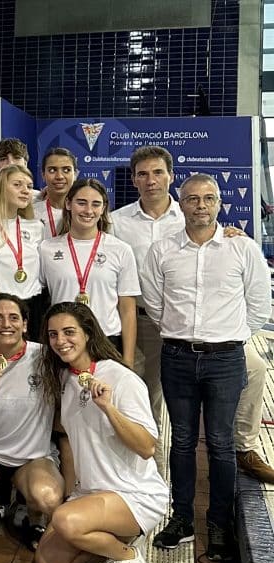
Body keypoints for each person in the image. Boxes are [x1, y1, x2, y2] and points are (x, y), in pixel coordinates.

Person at [112, 146, 274, 484]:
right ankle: (153, 479)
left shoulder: (193, 213)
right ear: (133, 180)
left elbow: (252, 293)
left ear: (171, 178)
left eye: (158, 173)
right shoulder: (118, 221)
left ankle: (243, 447)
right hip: (144, 320)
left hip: (208, 332)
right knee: (148, 398)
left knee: (255, 368)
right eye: (142, 174)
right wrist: (164, 320)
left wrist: (234, 332)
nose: (151, 180)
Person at [140, 173, 271, 561]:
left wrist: (229, 336)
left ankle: (219, 526)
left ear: (219, 204)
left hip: (226, 359)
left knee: (220, 444)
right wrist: (182, 333)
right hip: (178, 357)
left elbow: (259, 304)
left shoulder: (242, 249)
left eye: (209, 198)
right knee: (180, 442)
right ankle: (181, 519)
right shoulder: (162, 250)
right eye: (193, 199)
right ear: (180, 204)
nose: (201, 205)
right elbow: (154, 300)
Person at [34, 302, 168, 563]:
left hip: (133, 494)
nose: (61, 341)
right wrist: (72, 496)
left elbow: (146, 447)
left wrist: (108, 408)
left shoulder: (122, 379)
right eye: (53, 335)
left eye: (69, 332)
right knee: (47, 562)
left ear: (87, 334)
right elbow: (70, 443)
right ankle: (116, 542)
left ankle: (129, 558)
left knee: (65, 520)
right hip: (92, 493)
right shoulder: (66, 379)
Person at [0, 294, 62, 550]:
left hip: (31, 459)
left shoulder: (45, 357)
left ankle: (27, 507)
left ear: (25, 325)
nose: (6, 324)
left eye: (14, 318)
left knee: (47, 498)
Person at [37, 179, 139, 366]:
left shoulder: (120, 249)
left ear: (104, 208)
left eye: (96, 204)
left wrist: (128, 359)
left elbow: (127, 309)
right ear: (68, 204)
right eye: (81, 203)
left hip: (107, 339)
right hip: (63, 342)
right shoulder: (47, 249)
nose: (88, 211)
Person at [0, 165, 46, 334]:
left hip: (33, 308)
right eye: (17, 184)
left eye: (28, 186)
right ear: (0, 188)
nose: (25, 190)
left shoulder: (36, 227)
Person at [33, 148, 77, 238]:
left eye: (66, 170)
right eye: (52, 170)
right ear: (43, 175)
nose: (59, 176)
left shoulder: (86, 212)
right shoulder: (31, 213)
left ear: (75, 174)